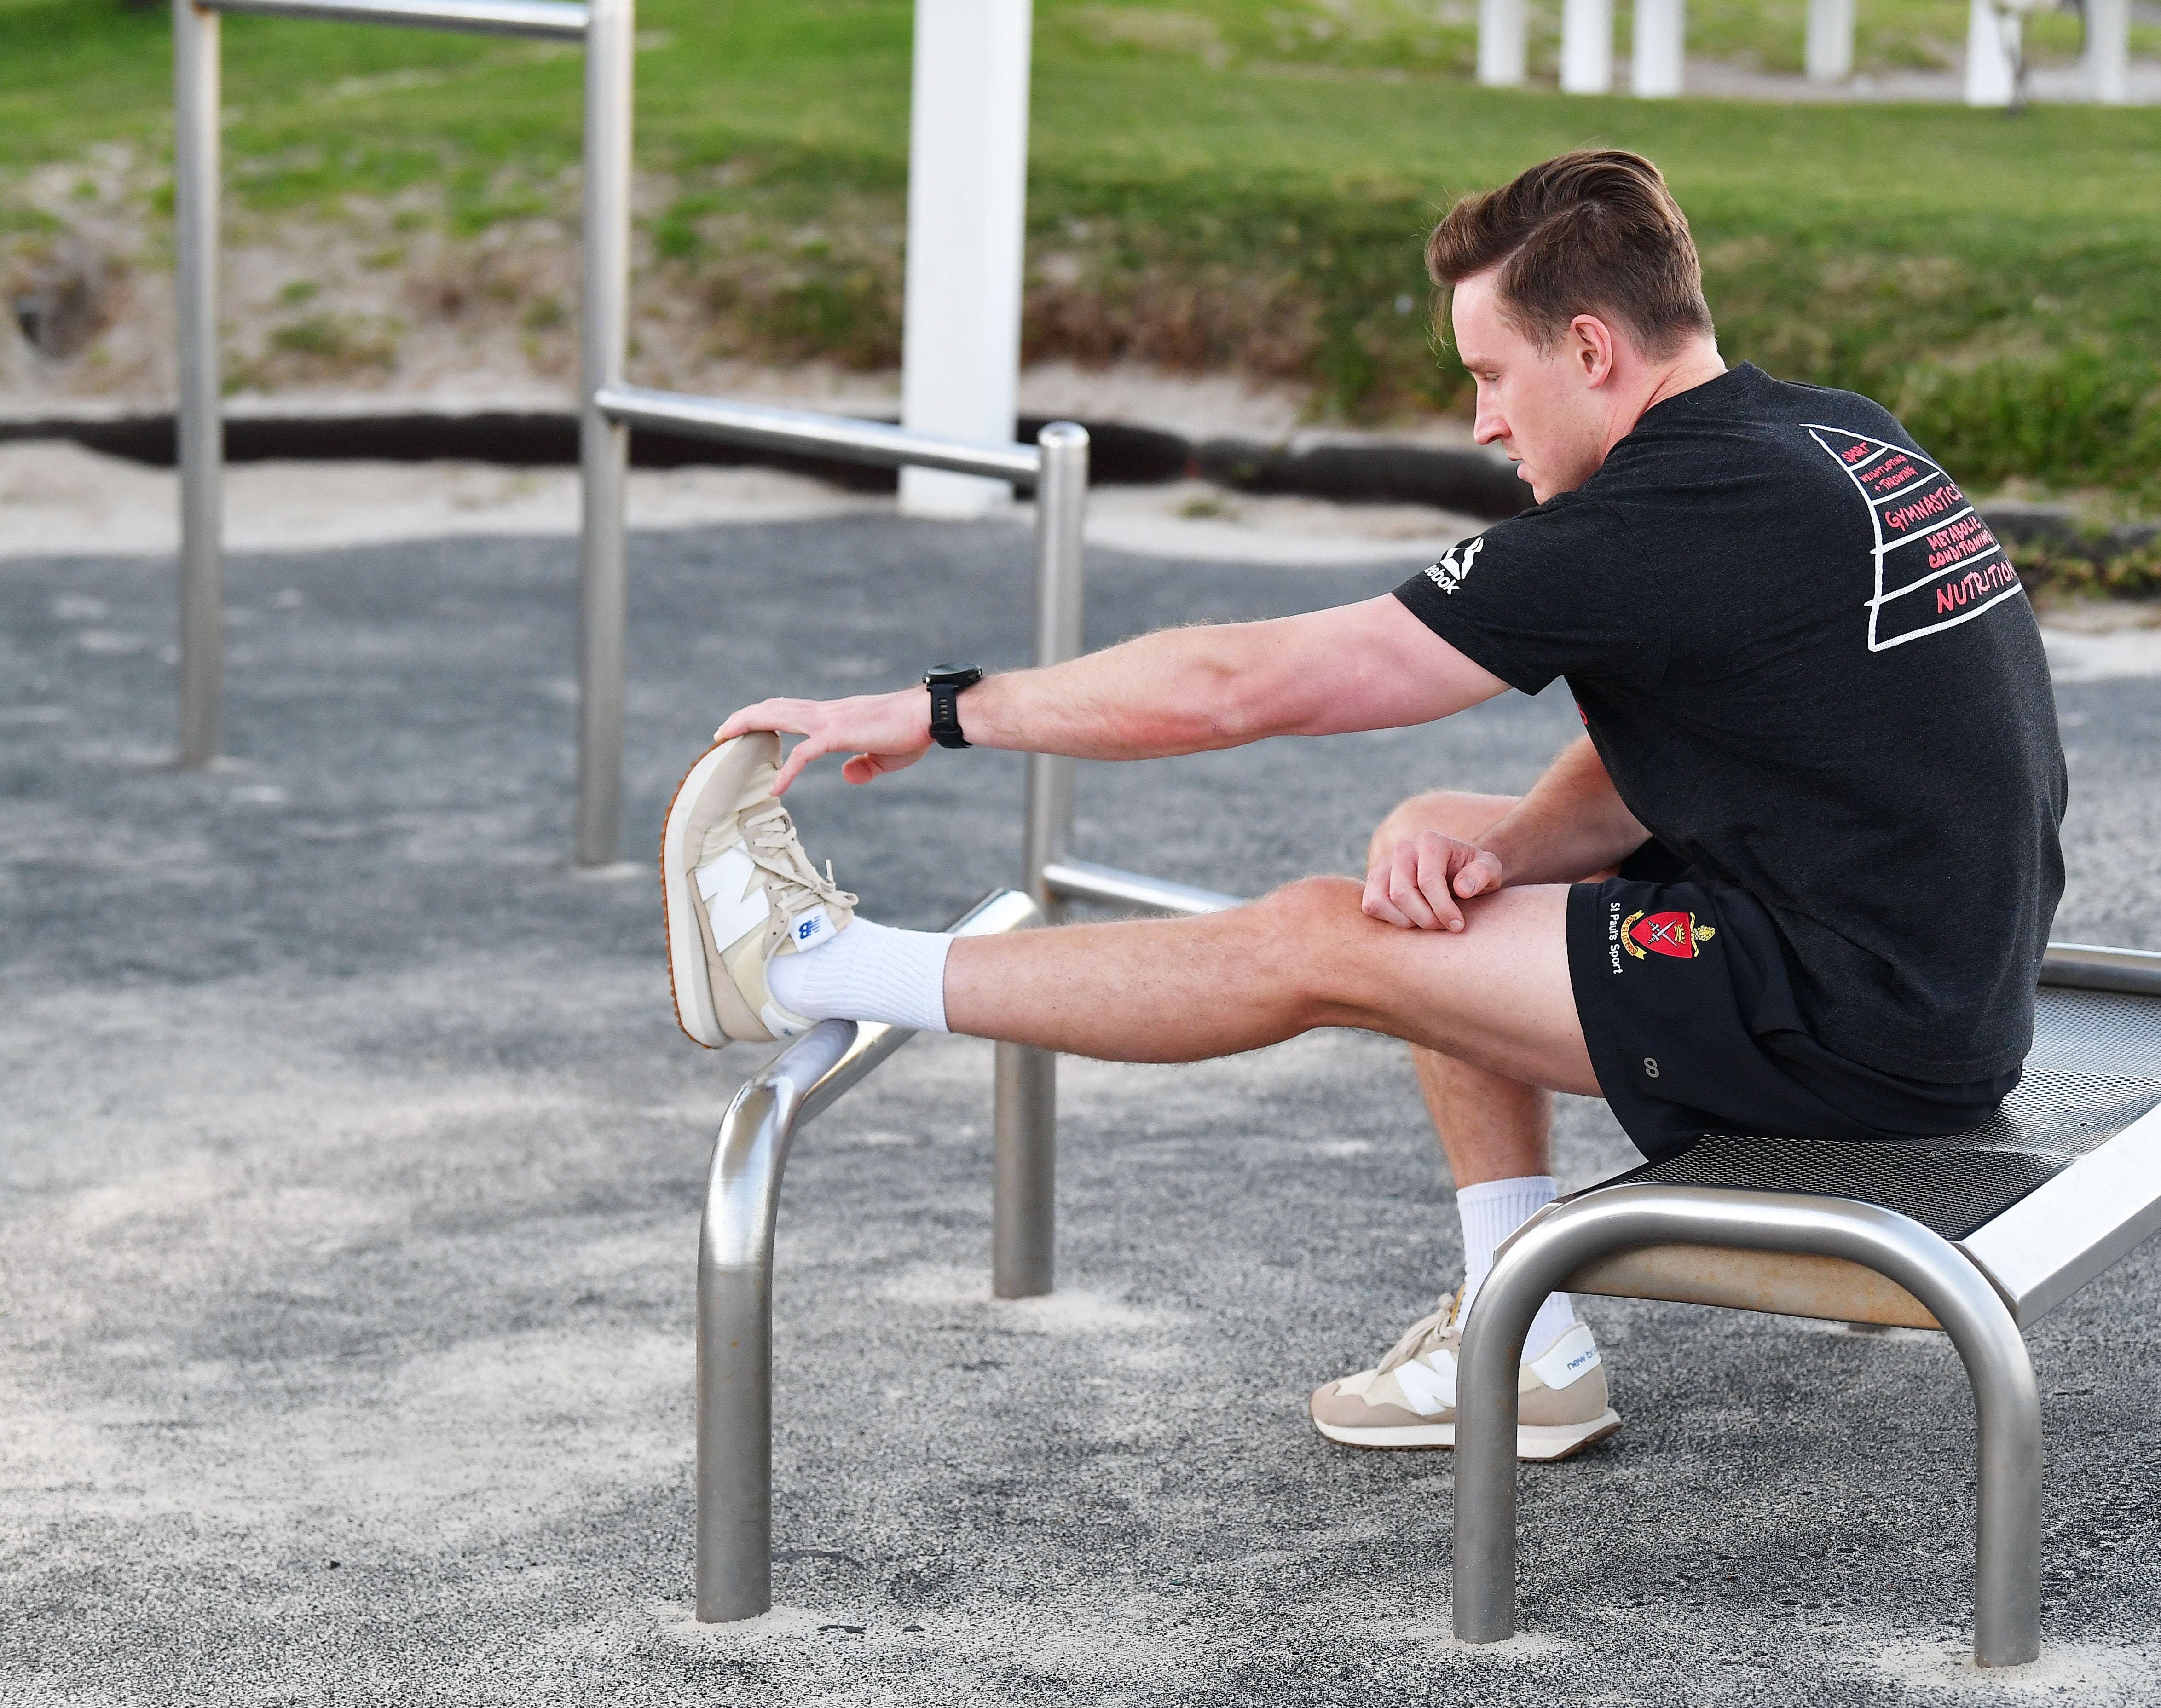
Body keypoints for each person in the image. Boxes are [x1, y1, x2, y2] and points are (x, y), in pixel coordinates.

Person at [661, 149, 2066, 1463]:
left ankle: (814, 969)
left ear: (1591, 348)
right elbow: (1691, 749)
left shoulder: (1650, 528)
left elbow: (1240, 685)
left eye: (1493, 374)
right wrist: (1498, 849)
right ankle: (1525, 1342)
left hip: (1862, 1032)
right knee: (1432, 839)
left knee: (1332, 940)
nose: (1482, 421)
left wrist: (942, 708)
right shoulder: (1824, 437)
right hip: (1929, 976)